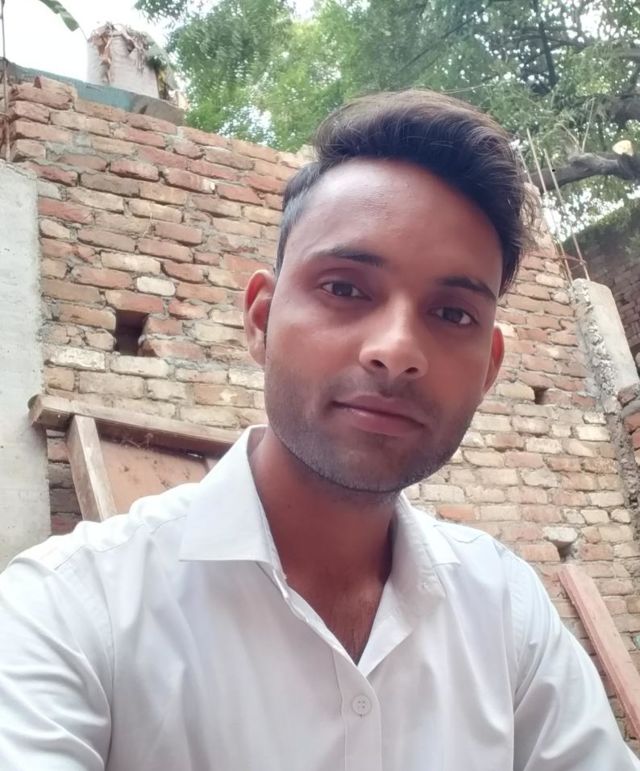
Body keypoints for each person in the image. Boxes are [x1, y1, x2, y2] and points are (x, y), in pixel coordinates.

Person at [0, 90, 638, 771]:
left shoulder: (508, 610)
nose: (397, 350)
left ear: (489, 368)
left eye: (453, 314)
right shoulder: (70, 610)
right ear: (261, 319)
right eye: (345, 288)